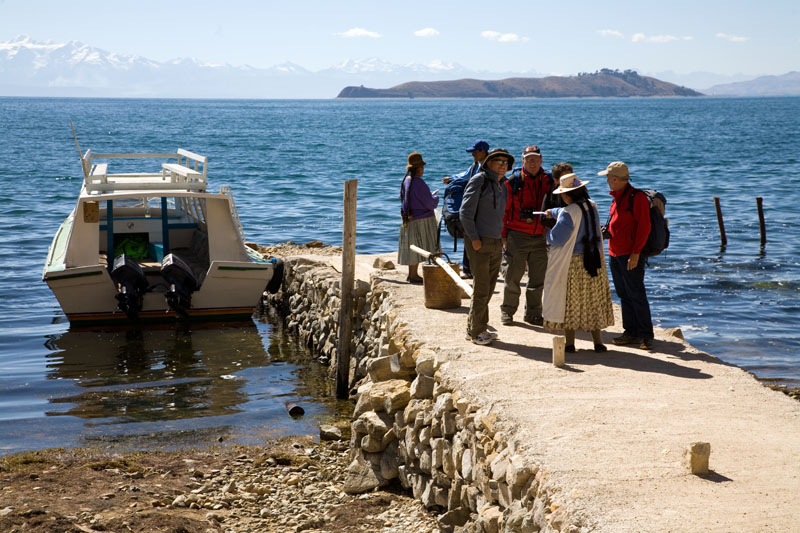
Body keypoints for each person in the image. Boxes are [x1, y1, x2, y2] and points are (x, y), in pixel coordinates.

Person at [542, 173, 614, 352]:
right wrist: (554, 212)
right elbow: (572, 213)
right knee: (592, 301)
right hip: (594, 260)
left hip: (574, 264)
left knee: (570, 302)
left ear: (568, 195)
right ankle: (598, 341)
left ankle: (570, 343)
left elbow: (558, 238)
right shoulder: (592, 206)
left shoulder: (568, 212)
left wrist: (547, 234)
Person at [459, 148, 513, 345]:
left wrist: (502, 239)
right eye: (498, 161)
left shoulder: (503, 185)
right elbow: (465, 212)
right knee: (482, 288)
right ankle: (477, 331)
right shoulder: (479, 180)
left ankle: (474, 327)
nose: (502, 165)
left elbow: (500, 216)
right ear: (489, 162)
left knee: (489, 288)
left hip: (495, 241)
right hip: (479, 241)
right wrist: (474, 238)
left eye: (506, 162)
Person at [599, 161, 654, 350]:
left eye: (608, 177)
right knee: (624, 294)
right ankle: (631, 332)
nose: (606, 180)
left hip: (630, 255)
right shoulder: (617, 197)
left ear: (615, 179)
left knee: (636, 293)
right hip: (615, 253)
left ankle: (646, 335)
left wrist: (636, 254)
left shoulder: (636, 197)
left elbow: (644, 228)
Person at [499, 145, 553, 326]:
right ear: (522, 161)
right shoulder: (512, 182)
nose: (532, 162)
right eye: (529, 159)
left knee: (538, 279)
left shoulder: (549, 181)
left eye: (536, 158)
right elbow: (504, 212)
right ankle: (507, 311)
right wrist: (503, 236)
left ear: (541, 160)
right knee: (512, 277)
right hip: (517, 235)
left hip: (541, 236)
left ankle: (533, 313)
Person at [442, 139, 490, 278]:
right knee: (470, 235)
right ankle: (469, 269)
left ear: (482, 151)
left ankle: (474, 268)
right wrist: (451, 178)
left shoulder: (488, 166)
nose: (473, 154)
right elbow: (464, 176)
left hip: (483, 207)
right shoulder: (476, 164)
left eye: (475, 151)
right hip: (474, 206)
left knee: (477, 236)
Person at [398, 152, 440, 284]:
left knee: (414, 246)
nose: (423, 170)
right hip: (424, 218)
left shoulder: (406, 180)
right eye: (422, 167)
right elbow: (430, 204)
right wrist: (435, 197)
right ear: (418, 169)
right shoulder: (419, 183)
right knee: (432, 245)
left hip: (410, 218)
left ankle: (412, 274)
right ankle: (435, 273)